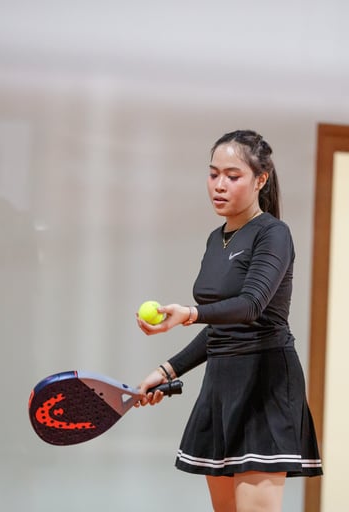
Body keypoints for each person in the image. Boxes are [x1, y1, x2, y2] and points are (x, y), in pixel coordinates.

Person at [135, 130, 322, 512]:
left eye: (233, 176)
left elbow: (251, 305)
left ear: (260, 179)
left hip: (265, 384)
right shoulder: (215, 239)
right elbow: (221, 326)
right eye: (213, 174)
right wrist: (168, 369)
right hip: (222, 385)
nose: (219, 185)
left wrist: (188, 314)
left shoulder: (274, 234)